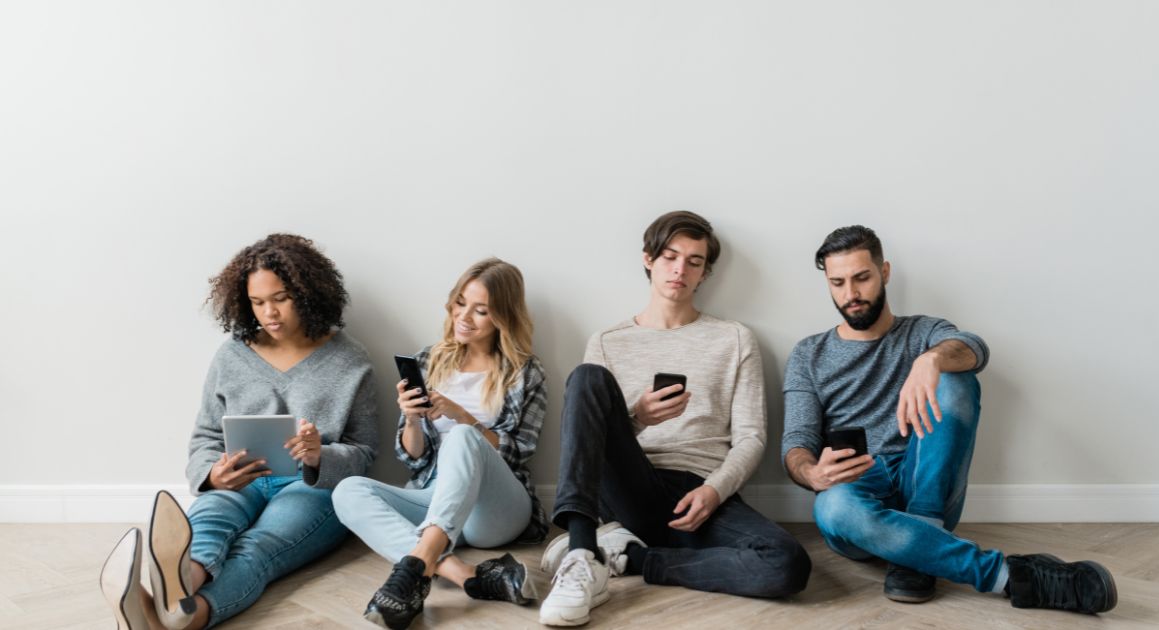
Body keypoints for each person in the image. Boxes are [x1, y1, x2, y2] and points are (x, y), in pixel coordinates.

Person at [782, 225, 1118, 613]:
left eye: (862, 278)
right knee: (832, 507)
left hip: (926, 483)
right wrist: (811, 474)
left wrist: (932, 360)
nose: (851, 294)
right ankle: (1007, 575)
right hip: (858, 491)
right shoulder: (809, 353)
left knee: (956, 378)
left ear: (884, 272)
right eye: (837, 283)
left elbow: (976, 349)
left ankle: (921, 537)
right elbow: (796, 442)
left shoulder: (924, 332)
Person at [538, 211, 811, 627]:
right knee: (586, 378)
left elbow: (752, 437)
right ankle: (580, 551)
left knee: (786, 564)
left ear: (705, 273)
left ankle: (630, 556)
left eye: (694, 261)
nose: (680, 269)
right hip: (632, 484)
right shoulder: (608, 342)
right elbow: (592, 438)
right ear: (648, 259)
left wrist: (715, 492)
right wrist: (638, 419)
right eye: (670, 256)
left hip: (702, 491)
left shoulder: (734, 339)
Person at [98, 233, 379, 629]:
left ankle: (172, 617)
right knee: (210, 521)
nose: (270, 313)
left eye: (280, 298)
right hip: (241, 480)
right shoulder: (232, 355)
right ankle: (176, 594)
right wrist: (213, 474)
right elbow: (205, 437)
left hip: (311, 489)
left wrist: (319, 455)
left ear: (308, 292)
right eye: (258, 302)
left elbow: (365, 453)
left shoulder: (350, 360)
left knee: (256, 548)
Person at [332, 257, 548, 630]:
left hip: (495, 512)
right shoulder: (428, 360)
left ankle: (416, 567)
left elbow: (521, 449)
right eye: (461, 302)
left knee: (463, 437)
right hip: (438, 502)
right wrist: (412, 417)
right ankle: (463, 574)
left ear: (502, 317)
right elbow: (413, 458)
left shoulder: (525, 372)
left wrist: (465, 418)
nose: (464, 316)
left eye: (481, 310)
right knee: (346, 491)